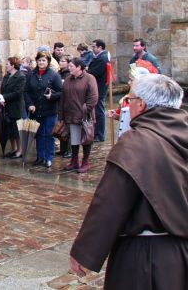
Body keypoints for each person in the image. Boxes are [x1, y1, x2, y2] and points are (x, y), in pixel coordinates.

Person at [70, 74, 188, 288]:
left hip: (146, 259)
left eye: (130, 99)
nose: (128, 104)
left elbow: (110, 203)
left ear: (141, 105)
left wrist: (85, 252)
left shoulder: (136, 144)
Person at [58, 58, 98, 173]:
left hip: (85, 116)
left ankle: (85, 162)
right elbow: (63, 98)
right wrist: (61, 115)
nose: (69, 68)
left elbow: (93, 97)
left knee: (86, 139)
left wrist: (85, 109)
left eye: (71, 66)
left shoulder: (90, 79)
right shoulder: (67, 80)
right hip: (71, 115)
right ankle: (74, 161)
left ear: (79, 67)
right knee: (74, 139)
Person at [23, 51, 62, 168]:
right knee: (38, 134)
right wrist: (29, 104)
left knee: (49, 134)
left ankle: (49, 157)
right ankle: (40, 157)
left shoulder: (54, 75)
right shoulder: (31, 75)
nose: (41, 62)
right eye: (39, 60)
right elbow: (26, 91)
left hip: (50, 109)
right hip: (36, 110)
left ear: (48, 62)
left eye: (43, 60)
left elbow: (61, 91)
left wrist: (52, 96)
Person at [108, 65, 150, 139]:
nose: (128, 82)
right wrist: (116, 115)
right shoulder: (126, 98)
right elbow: (123, 117)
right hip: (124, 135)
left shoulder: (148, 100)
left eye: (131, 80)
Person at [0, 57, 25, 159]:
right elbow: (3, 89)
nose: (6, 65)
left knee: (16, 131)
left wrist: (4, 97)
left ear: (13, 65)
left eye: (8, 64)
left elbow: (18, 93)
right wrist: (2, 99)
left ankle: (20, 150)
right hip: (7, 106)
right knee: (10, 130)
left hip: (16, 107)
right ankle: (14, 149)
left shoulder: (21, 77)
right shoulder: (7, 76)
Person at [87, 39, 109, 142]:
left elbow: (95, 72)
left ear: (100, 47)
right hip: (98, 87)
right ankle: (97, 133)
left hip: (99, 88)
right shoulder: (101, 57)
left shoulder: (102, 58)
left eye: (94, 47)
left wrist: (86, 71)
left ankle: (99, 135)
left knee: (99, 111)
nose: (92, 48)